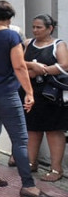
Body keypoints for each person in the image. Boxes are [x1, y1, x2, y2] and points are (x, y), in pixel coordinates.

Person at [0, 0, 54, 197]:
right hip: (6, 93)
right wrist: (29, 92)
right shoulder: (11, 35)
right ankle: (28, 186)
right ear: (9, 16)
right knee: (20, 139)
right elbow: (19, 67)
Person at [20, 14, 68, 182]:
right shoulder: (27, 44)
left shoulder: (58, 45)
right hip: (30, 92)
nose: (35, 30)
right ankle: (31, 162)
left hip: (52, 95)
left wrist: (44, 70)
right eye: (33, 27)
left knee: (54, 130)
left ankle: (56, 169)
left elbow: (64, 66)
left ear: (50, 28)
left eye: (39, 27)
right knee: (32, 128)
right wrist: (32, 67)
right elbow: (17, 62)